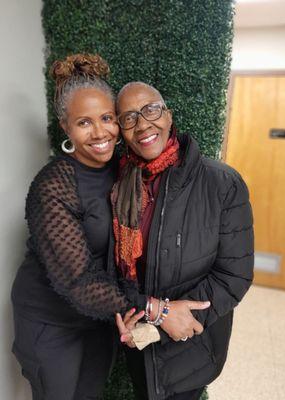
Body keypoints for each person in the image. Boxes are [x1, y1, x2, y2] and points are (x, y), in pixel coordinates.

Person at [113, 82, 254, 400]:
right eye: (129, 118)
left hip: (189, 347)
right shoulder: (120, 185)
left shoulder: (222, 183)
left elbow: (234, 276)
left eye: (151, 110)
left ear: (168, 114)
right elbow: (113, 271)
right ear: (121, 130)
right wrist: (140, 319)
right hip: (136, 344)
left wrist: (159, 326)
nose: (143, 124)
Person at [10, 53, 138, 400]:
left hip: (99, 317)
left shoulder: (125, 169)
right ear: (66, 127)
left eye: (107, 118)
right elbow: (76, 280)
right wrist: (154, 310)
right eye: (84, 123)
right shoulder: (53, 186)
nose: (100, 133)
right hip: (51, 322)